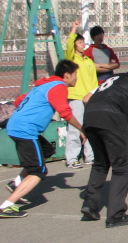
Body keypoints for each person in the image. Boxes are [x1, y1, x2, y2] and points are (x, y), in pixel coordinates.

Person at [80, 56, 128, 228]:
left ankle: (90, 205)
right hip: (112, 119)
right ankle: (115, 215)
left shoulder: (114, 78)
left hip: (90, 118)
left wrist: (94, 118)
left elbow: (86, 98)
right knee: (122, 168)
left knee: (100, 163)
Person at [0, 60, 84, 218]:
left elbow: (18, 101)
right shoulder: (59, 86)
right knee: (38, 171)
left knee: (47, 150)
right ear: (67, 75)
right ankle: (6, 206)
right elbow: (65, 112)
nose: (77, 78)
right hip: (25, 130)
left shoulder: (44, 85)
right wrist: (82, 128)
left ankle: (16, 183)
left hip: (18, 126)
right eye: (75, 75)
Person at [64, 20, 97, 168]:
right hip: (76, 97)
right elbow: (68, 45)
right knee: (75, 128)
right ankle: (72, 158)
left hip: (88, 98)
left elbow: (93, 80)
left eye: (83, 42)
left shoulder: (88, 61)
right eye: (79, 42)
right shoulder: (71, 59)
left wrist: (95, 95)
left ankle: (90, 156)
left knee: (90, 127)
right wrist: (74, 28)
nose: (82, 45)